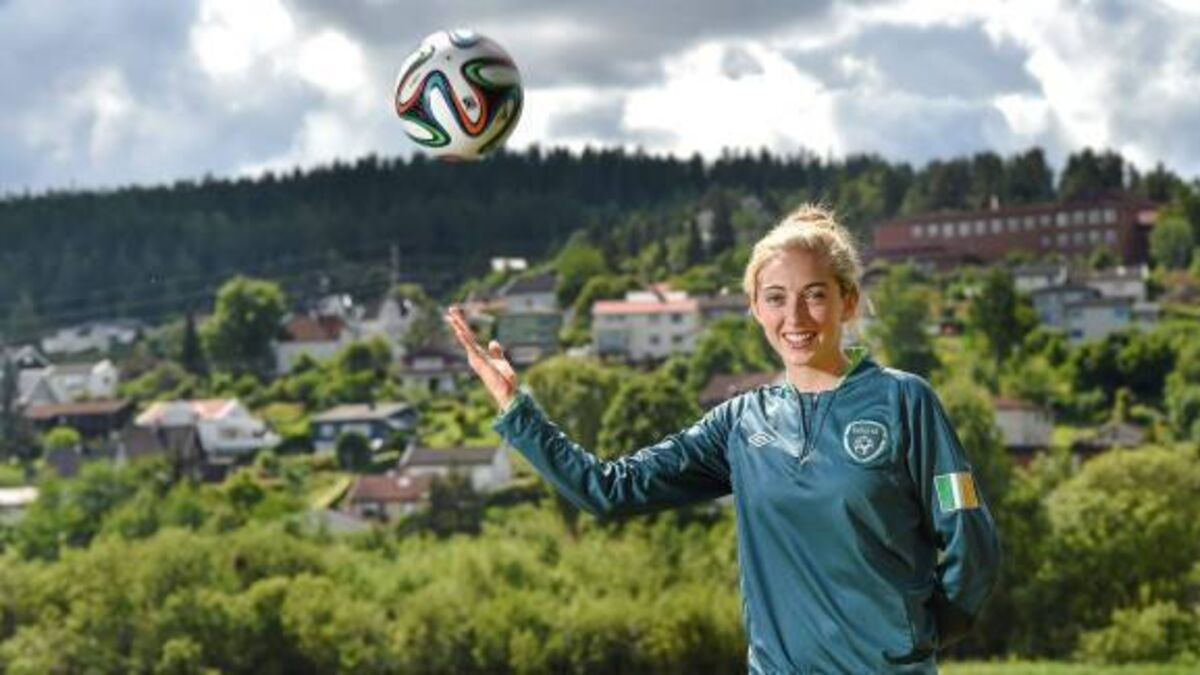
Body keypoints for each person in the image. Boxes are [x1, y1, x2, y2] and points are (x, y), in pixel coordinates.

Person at [445, 204, 1001, 674]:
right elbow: (609, 489)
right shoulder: (740, 424)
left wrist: (916, 637)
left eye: (814, 295)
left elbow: (969, 537)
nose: (795, 316)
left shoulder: (905, 402)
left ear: (847, 301)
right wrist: (516, 408)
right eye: (776, 298)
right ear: (755, 308)